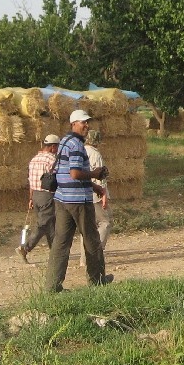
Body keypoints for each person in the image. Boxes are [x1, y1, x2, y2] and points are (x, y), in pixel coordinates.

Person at [47, 110, 112, 292]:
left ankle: (52, 286)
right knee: (91, 240)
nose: (87, 125)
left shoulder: (63, 142)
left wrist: (95, 187)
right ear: (73, 124)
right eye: (83, 122)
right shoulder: (76, 144)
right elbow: (75, 173)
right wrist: (95, 174)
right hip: (78, 201)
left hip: (62, 199)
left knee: (61, 242)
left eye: (87, 122)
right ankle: (97, 281)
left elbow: (68, 173)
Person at [18, 134, 60, 264]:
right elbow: (58, 178)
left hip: (35, 195)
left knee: (50, 224)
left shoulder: (34, 159)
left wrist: (31, 198)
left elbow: (31, 181)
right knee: (43, 224)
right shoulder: (52, 160)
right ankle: (25, 247)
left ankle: (56, 252)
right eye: (57, 147)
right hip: (47, 195)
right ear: (53, 147)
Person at [79, 129, 112, 267]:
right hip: (95, 194)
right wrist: (103, 195)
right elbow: (101, 177)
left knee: (86, 227)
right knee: (105, 223)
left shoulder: (79, 151)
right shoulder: (95, 154)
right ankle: (96, 253)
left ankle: (83, 259)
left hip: (81, 194)